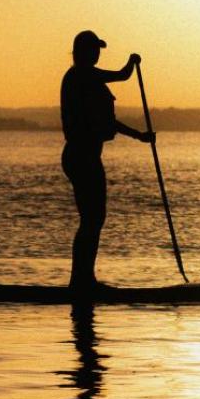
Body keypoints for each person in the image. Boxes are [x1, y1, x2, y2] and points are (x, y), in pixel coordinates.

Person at [59, 30, 154, 292]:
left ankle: (83, 279)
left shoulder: (90, 81)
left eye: (98, 49)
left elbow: (107, 122)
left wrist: (139, 136)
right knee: (92, 218)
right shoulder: (81, 75)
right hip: (81, 156)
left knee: (93, 218)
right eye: (93, 49)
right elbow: (122, 75)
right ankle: (81, 281)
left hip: (87, 156)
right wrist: (132, 62)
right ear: (82, 52)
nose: (97, 53)